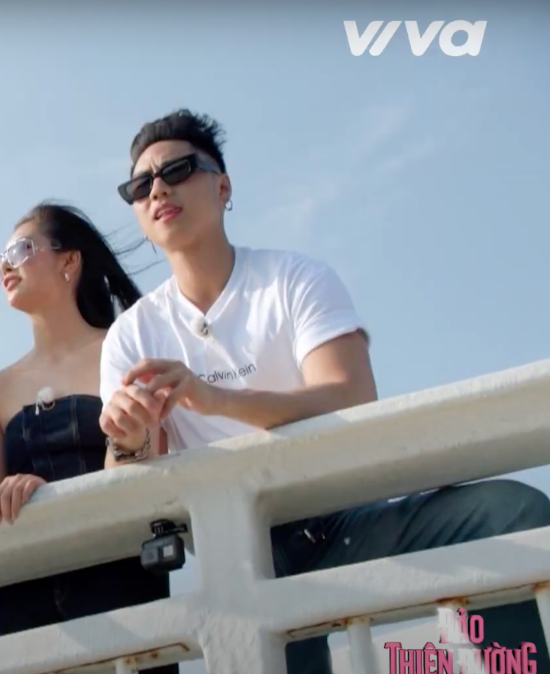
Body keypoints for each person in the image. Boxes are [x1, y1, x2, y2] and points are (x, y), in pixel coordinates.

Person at [96, 109, 550, 673]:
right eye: (140, 186)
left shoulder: (294, 278)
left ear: (223, 186)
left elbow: (351, 395)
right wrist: (129, 438)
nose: (158, 189)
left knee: (510, 515)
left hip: (344, 521)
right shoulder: (132, 334)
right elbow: (127, 475)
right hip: (237, 554)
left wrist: (215, 400)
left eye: (178, 170)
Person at [0, 202, 177, 672]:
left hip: (119, 573)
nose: (5, 266)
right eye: (0, 259)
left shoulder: (124, 348)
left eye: (20, 250)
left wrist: (49, 494)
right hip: (28, 595)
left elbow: (153, 464)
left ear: (69, 261)